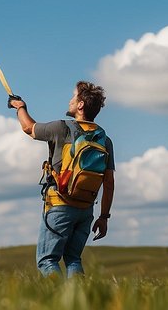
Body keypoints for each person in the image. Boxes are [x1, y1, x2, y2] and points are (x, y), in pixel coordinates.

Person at [9, 81, 115, 277]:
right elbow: (108, 183)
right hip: (86, 209)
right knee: (73, 259)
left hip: (60, 204)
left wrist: (20, 107)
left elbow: (28, 128)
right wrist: (104, 217)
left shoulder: (61, 128)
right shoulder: (104, 139)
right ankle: (80, 302)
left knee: (47, 260)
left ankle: (57, 302)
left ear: (81, 104)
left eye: (73, 97)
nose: (70, 101)